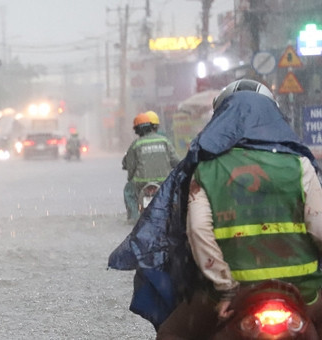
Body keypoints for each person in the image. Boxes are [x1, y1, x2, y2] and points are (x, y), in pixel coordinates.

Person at [108, 79, 322, 333]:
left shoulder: (206, 169)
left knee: (171, 333)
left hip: (237, 293)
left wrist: (225, 288)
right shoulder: (299, 165)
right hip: (302, 290)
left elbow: (198, 233)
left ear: (221, 120)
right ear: (273, 116)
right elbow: (318, 228)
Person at [122, 111, 178, 222]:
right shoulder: (164, 141)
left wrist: (130, 179)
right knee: (175, 193)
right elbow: (176, 161)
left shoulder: (136, 144)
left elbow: (130, 165)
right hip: (164, 181)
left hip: (141, 182)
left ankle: (133, 217)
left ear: (137, 130)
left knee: (128, 191)